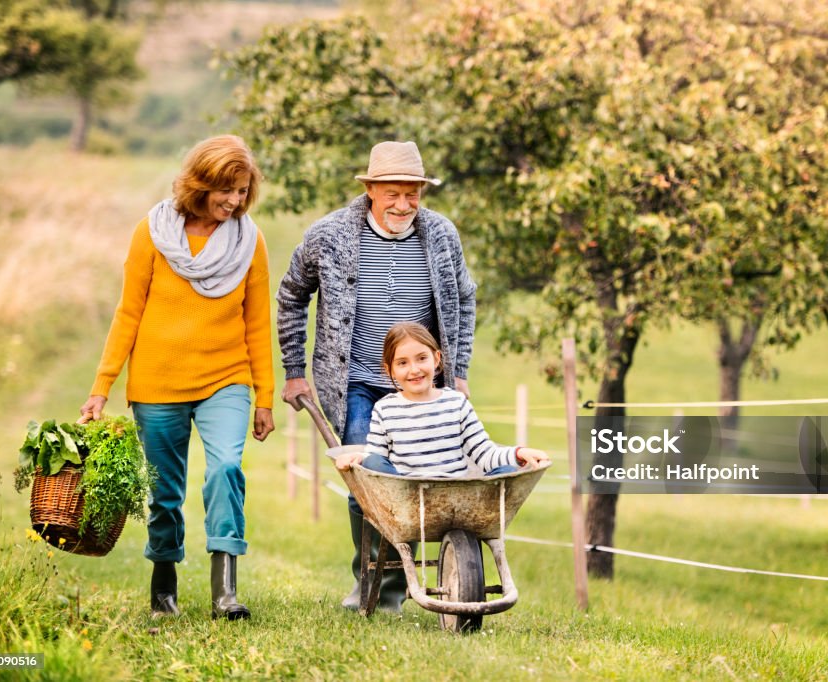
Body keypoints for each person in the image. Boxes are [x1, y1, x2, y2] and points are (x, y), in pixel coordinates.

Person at [78, 134, 274, 621]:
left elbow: (256, 323)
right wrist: (101, 386)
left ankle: (225, 590)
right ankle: (163, 582)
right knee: (164, 491)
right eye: (226, 190)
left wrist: (264, 396)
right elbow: (128, 313)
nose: (235, 201)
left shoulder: (250, 241)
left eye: (243, 191)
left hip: (226, 378)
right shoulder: (153, 232)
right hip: (158, 382)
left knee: (227, 467)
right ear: (200, 183)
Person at [276, 140, 476, 613]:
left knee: (425, 475)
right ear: (370, 189)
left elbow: (465, 299)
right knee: (365, 476)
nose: (403, 205)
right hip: (355, 382)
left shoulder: (442, 235)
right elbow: (291, 296)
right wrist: (293, 369)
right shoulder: (329, 234)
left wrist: (459, 369)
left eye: (413, 195)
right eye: (393, 194)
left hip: (420, 383)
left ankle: (403, 582)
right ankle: (373, 585)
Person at [334, 323, 550, 476]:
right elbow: (376, 458)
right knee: (372, 461)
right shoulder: (385, 409)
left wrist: (519, 453)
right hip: (405, 497)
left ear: (436, 359)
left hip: (456, 495)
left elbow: (485, 454)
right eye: (402, 363)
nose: (414, 369)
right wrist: (359, 458)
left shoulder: (456, 404)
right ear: (389, 369)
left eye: (421, 358)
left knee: (506, 474)